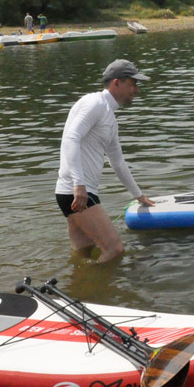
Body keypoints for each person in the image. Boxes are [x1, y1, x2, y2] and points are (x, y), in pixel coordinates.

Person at [54, 59, 154, 262]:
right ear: (117, 82)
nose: (136, 90)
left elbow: (117, 162)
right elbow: (71, 138)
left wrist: (139, 195)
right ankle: (95, 285)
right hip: (77, 192)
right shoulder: (95, 104)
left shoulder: (110, 118)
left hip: (75, 193)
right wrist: (79, 184)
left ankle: (82, 289)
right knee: (114, 249)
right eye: (133, 84)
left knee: (84, 252)